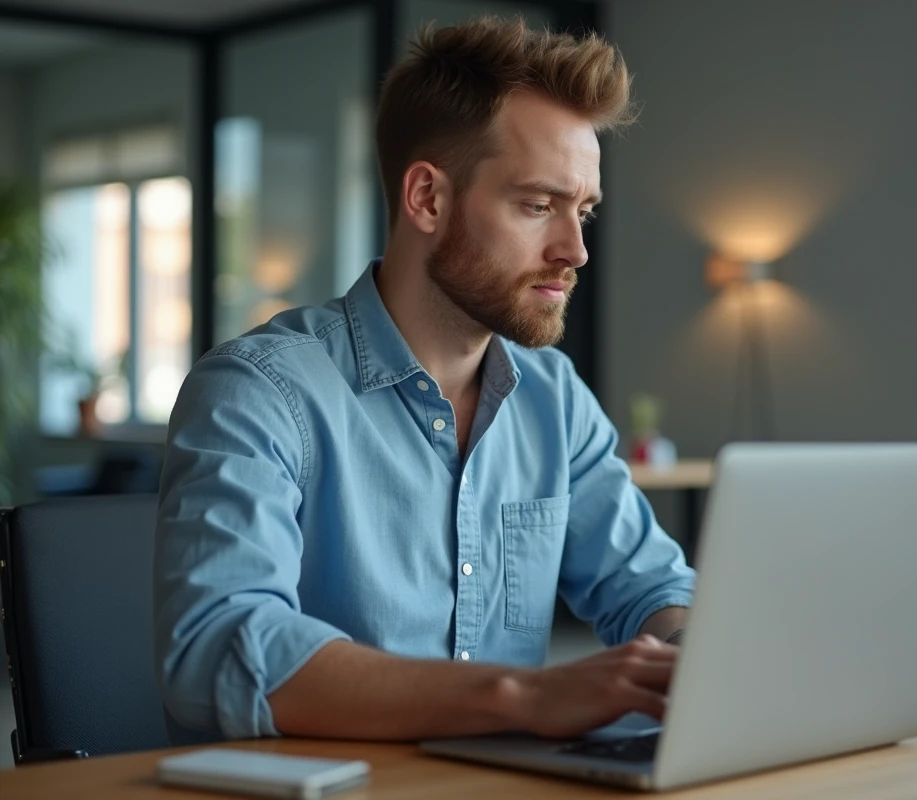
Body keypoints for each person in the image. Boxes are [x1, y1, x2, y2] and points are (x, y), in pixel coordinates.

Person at [154, 16, 694, 744]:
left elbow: (653, 589)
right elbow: (219, 648)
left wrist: (693, 655)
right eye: (538, 206)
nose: (575, 250)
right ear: (428, 200)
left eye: (584, 212)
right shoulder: (257, 392)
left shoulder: (554, 398)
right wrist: (517, 696)